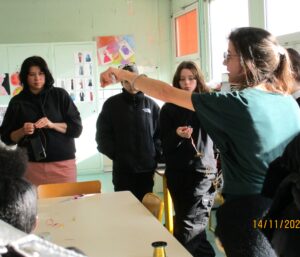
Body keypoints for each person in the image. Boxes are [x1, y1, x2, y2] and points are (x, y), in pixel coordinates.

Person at [100, 27, 300, 256]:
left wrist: (122, 73)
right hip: (286, 211)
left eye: (229, 55)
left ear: (247, 61)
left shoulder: (237, 104)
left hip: (251, 215)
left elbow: (165, 92)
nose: (225, 64)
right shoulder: (289, 103)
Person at [160, 61, 217, 257]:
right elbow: (163, 146)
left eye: (191, 78)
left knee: (186, 230)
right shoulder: (168, 109)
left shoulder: (208, 104)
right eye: (182, 79)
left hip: (202, 174)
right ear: (176, 82)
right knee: (194, 230)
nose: (186, 83)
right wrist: (176, 134)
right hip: (177, 175)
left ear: (198, 79)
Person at [0, 56, 83, 186]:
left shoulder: (60, 95)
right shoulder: (17, 102)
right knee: (34, 205)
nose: (37, 78)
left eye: (40, 73)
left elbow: (76, 129)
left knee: (66, 203)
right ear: (25, 77)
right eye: (32, 74)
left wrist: (52, 125)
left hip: (63, 165)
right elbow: (7, 138)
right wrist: (22, 131)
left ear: (46, 74)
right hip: (30, 166)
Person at [95, 63, 162, 201]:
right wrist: (118, 155)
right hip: (123, 170)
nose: (131, 85)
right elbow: (102, 136)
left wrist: (155, 154)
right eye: (126, 81)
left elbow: (160, 134)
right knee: (123, 208)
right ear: (122, 83)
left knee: (145, 208)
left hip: (146, 169)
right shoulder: (111, 105)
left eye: (134, 81)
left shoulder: (152, 105)